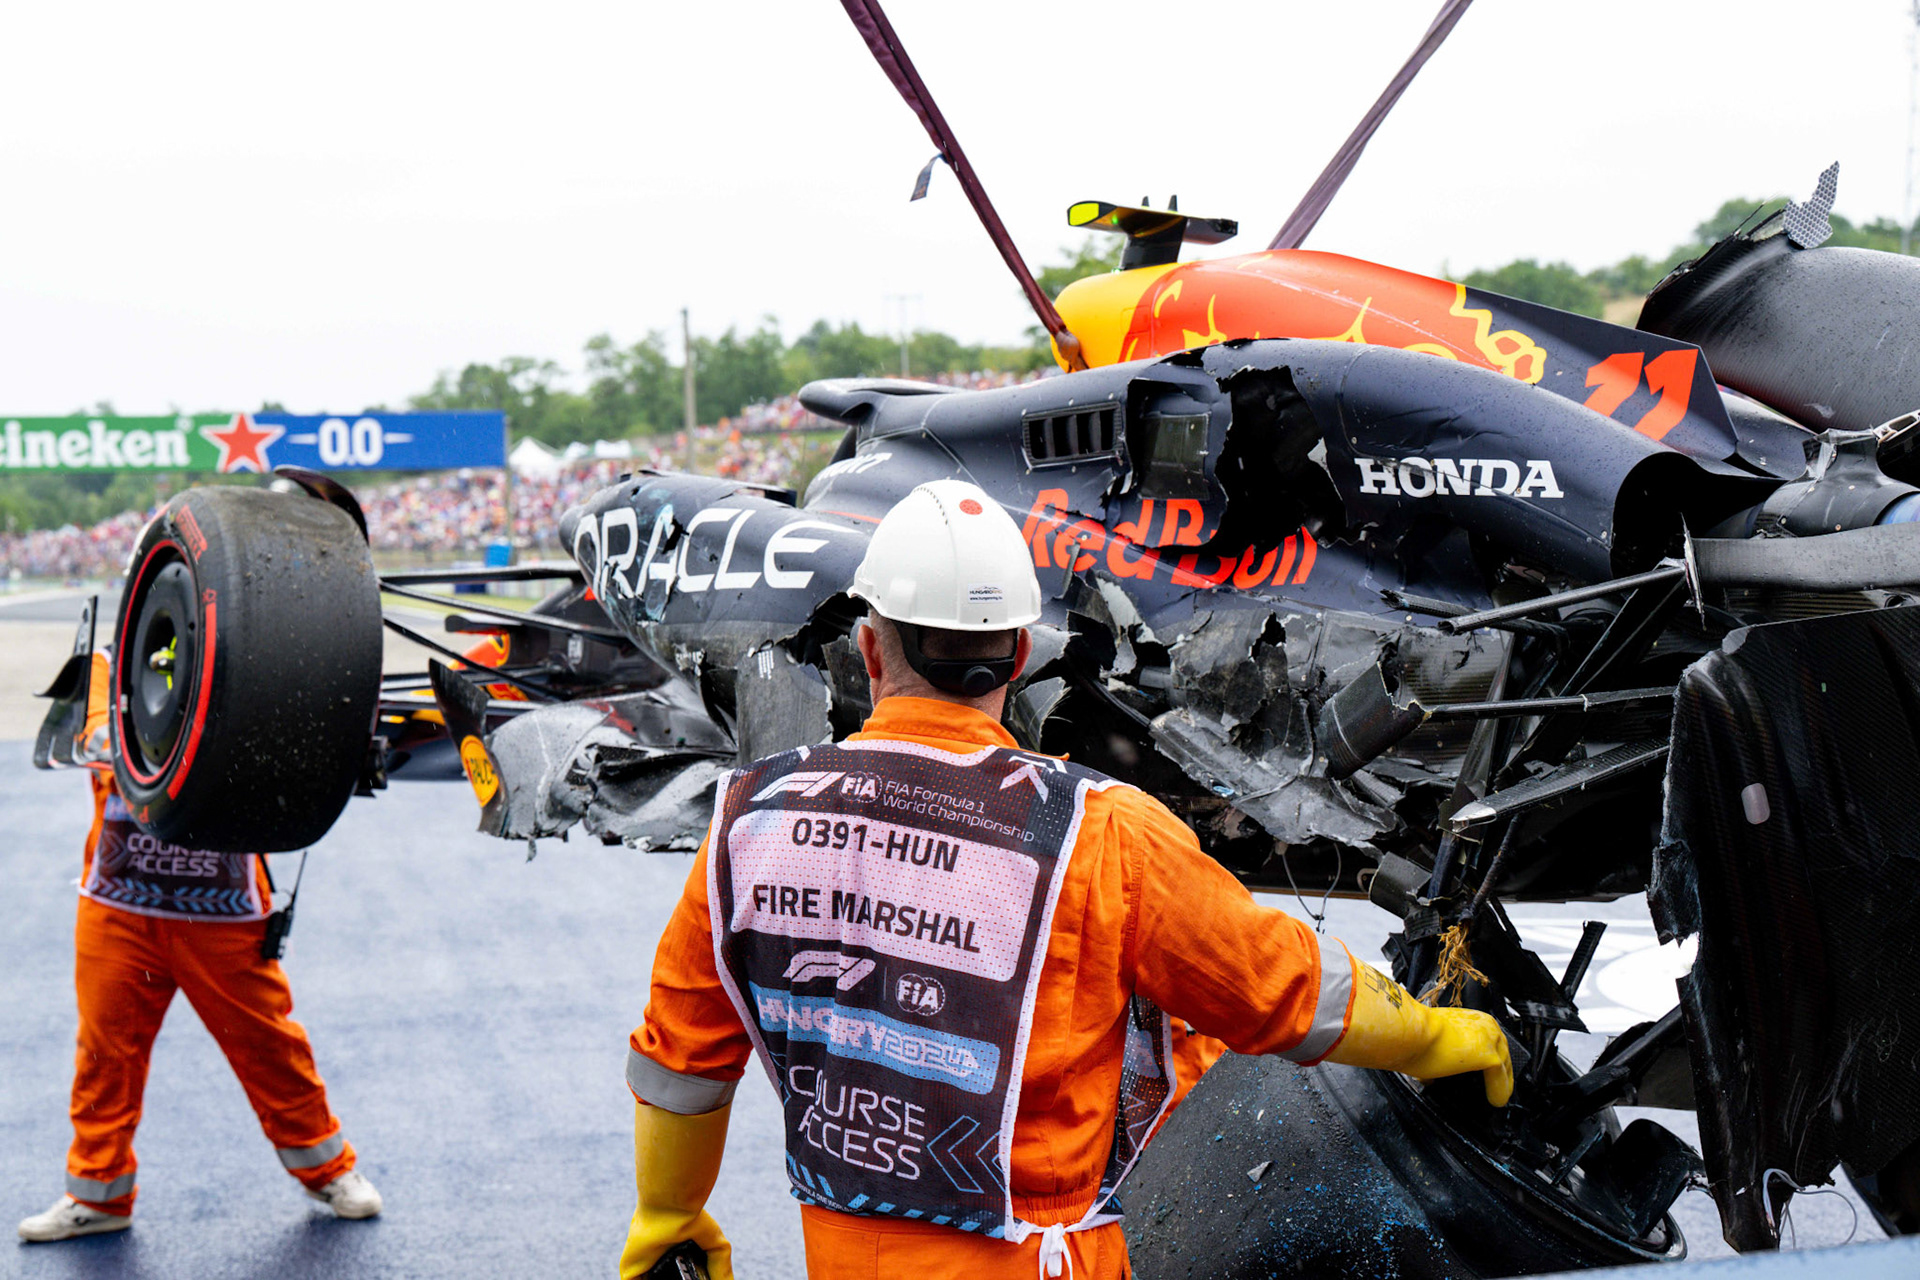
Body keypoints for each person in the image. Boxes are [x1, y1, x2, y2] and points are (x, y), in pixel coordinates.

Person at [619, 480, 1512, 1279]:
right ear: (1015, 657)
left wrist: (668, 1212)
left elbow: (681, 1058)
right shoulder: (1096, 829)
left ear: (867, 645)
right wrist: (1437, 1037)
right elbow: (1282, 991)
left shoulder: (753, 816)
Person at [17, 654, 381, 1243]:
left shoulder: (254, 659)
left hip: (219, 915)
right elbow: (94, 741)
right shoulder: (107, 669)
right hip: (121, 908)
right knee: (103, 1057)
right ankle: (97, 1192)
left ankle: (329, 1171)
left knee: (269, 1046)